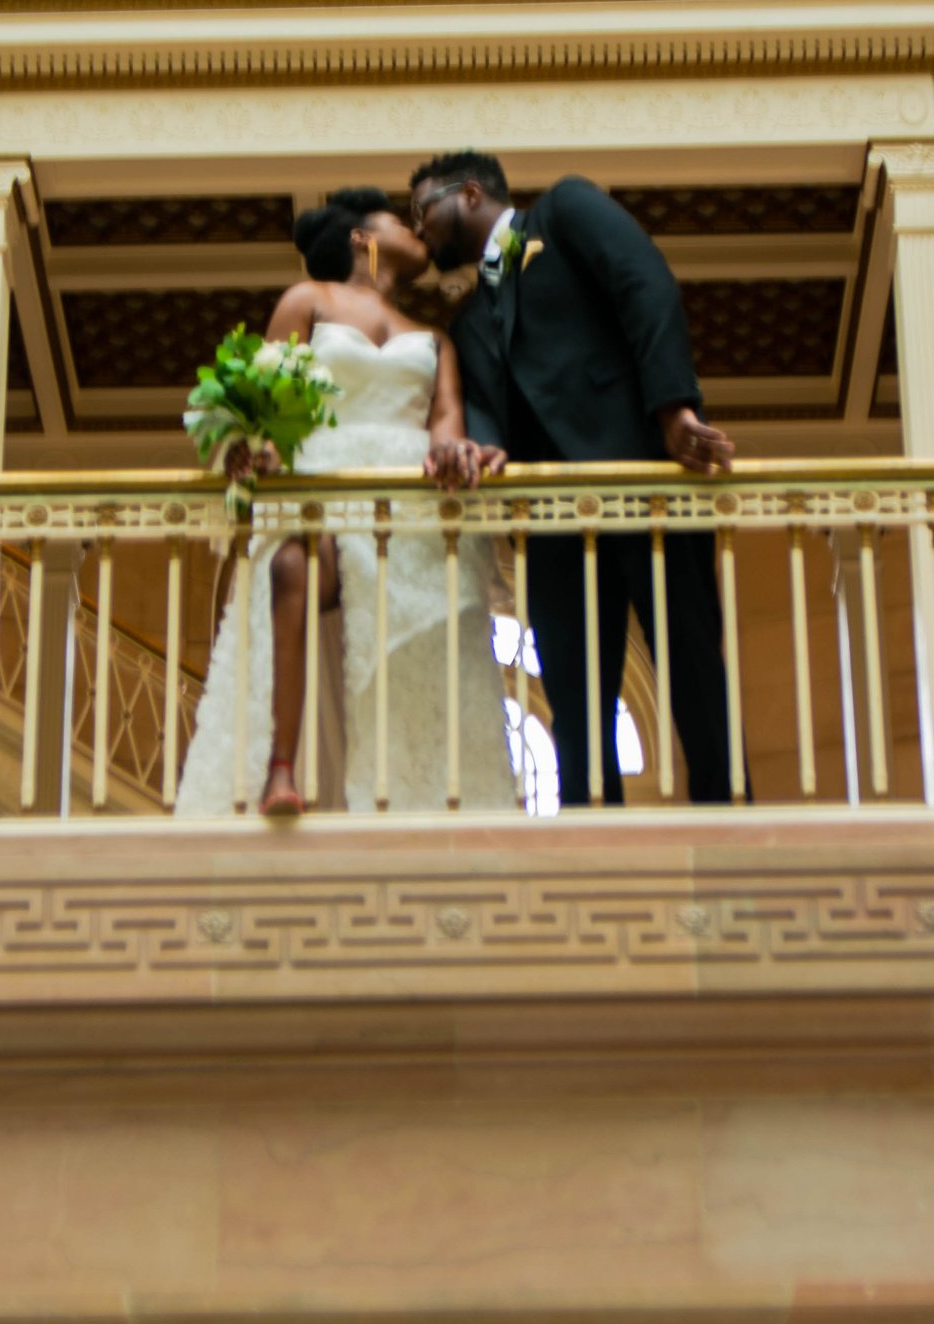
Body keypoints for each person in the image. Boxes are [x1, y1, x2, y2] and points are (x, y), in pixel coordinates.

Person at [173, 188, 523, 822]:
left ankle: (410, 788)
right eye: (398, 221)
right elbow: (264, 394)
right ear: (363, 237)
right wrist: (248, 447)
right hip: (324, 488)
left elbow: (445, 420)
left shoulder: (435, 338)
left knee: (410, 649)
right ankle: (280, 766)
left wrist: (452, 451)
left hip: (406, 509)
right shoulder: (309, 301)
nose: (416, 232)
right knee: (289, 569)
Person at [407, 152, 740, 807]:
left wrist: (675, 409)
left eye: (423, 211)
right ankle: (595, 843)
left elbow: (644, 283)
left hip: (645, 483)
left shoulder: (564, 212)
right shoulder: (470, 320)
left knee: (694, 667)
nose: (418, 231)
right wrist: (486, 448)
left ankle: (732, 831)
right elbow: (483, 406)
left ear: (471, 193)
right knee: (573, 696)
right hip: (555, 529)